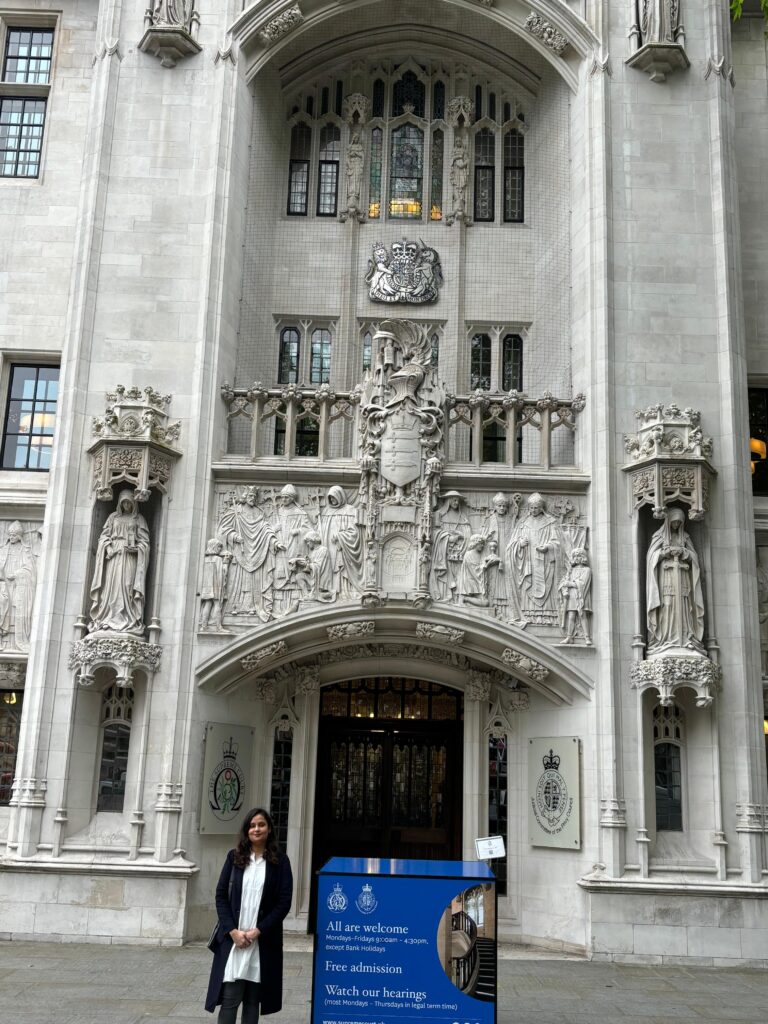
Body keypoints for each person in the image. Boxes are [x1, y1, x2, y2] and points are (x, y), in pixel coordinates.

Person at [206, 808, 293, 1024]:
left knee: (253, 1001)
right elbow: (220, 896)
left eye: (261, 824)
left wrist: (258, 930)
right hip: (235, 941)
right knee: (230, 998)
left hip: (261, 942)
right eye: (252, 825)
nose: (256, 829)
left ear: (269, 829)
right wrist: (232, 931)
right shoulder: (234, 857)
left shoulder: (280, 862)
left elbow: (284, 903)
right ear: (246, 830)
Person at [88, 489, 150, 634]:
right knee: (111, 585)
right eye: (124, 503)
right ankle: (108, 618)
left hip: (130, 556)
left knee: (128, 584)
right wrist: (109, 548)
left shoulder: (138, 519)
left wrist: (137, 549)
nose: (126, 505)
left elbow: (145, 542)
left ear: (133, 503)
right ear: (120, 503)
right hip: (114, 556)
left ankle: (127, 617)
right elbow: (103, 537)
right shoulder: (112, 517)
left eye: (129, 503)